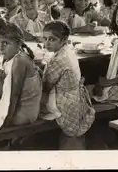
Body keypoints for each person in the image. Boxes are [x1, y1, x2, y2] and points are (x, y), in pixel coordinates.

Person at [40, 21, 95, 150]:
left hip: (66, 103)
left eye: (52, 39)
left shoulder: (59, 59)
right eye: (45, 38)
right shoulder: (67, 51)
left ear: (64, 39)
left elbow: (46, 87)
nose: (46, 43)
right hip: (75, 96)